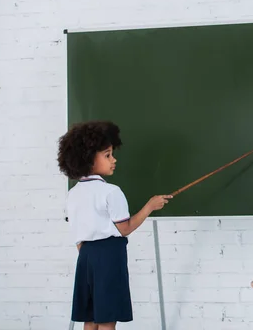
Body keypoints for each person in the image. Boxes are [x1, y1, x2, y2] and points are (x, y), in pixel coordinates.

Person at [57, 121, 172, 330]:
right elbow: (125, 228)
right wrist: (149, 206)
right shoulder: (111, 192)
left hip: (85, 256)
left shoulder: (72, 194)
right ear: (89, 158)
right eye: (107, 155)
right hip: (108, 255)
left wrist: (88, 255)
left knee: (90, 317)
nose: (114, 160)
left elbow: (77, 235)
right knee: (108, 317)